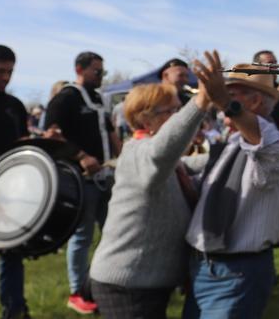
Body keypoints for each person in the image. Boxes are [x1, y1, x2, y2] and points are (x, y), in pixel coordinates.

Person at [88, 52, 228, 318]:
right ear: (145, 119)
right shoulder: (137, 153)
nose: (178, 117)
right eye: (172, 111)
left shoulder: (170, 165)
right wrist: (200, 102)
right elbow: (162, 151)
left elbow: (191, 166)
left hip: (146, 282)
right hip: (127, 284)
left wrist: (237, 147)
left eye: (179, 110)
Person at [183, 67, 279, 319]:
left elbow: (265, 145)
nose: (220, 101)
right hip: (205, 267)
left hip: (236, 272)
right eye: (223, 94)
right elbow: (209, 186)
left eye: (230, 94)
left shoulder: (272, 141)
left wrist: (223, 100)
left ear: (255, 101)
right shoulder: (233, 140)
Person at [44, 51, 121, 314]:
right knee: (82, 236)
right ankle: (78, 291)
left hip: (106, 176)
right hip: (82, 179)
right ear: (80, 69)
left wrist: (122, 157)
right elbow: (51, 136)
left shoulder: (99, 98)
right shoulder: (65, 98)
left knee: (113, 231)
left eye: (103, 72)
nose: (101, 76)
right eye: (97, 71)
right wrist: (81, 156)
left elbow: (111, 132)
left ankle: (100, 282)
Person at [0, 45, 30, 319]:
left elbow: (20, 144)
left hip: (8, 188)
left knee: (11, 249)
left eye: (10, 72)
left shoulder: (14, 106)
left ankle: (14, 308)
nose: (5, 77)